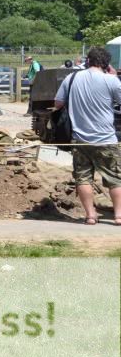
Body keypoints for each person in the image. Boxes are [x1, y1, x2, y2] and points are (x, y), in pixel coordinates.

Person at [53, 46, 121, 225]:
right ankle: (118, 216)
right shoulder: (111, 80)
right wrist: (113, 77)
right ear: (107, 64)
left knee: (83, 178)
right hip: (106, 139)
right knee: (115, 178)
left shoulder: (72, 77)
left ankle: (90, 215)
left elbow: (58, 103)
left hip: (80, 139)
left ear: (88, 60)